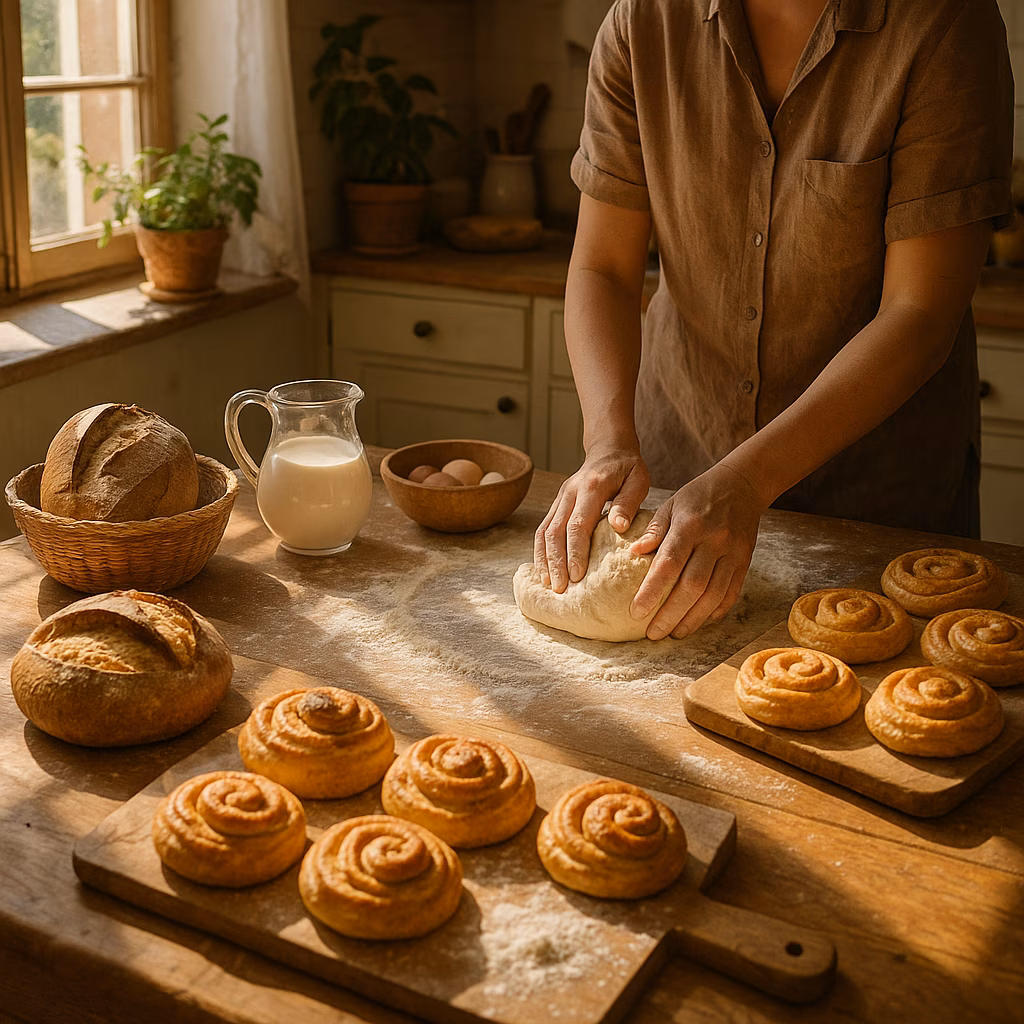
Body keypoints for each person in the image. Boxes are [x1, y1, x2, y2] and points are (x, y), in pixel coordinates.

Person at [534, 0, 1014, 641]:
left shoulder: (943, 25)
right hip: (680, 464)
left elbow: (919, 314)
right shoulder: (643, 23)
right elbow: (603, 269)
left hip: (875, 502)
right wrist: (608, 442)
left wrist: (748, 479)